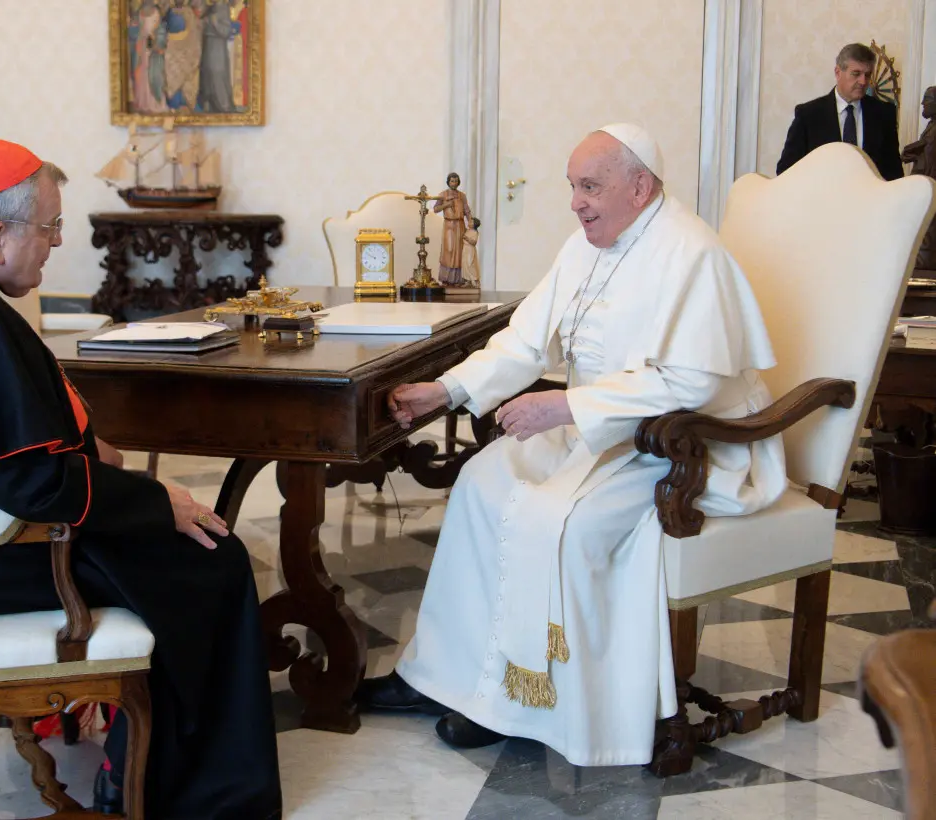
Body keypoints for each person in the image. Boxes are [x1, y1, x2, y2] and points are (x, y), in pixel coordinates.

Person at [0, 136, 282, 819]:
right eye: (49, 228)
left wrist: (81, 443)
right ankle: (186, 794)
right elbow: (35, 486)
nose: (57, 242)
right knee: (213, 559)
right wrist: (158, 501)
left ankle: (140, 753)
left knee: (187, 552)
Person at [356, 124, 787, 767]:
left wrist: (562, 406)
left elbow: (691, 380)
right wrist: (445, 391)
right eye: (573, 187)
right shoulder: (588, 243)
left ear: (639, 187)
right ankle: (441, 676)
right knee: (480, 484)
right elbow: (527, 340)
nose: (576, 202)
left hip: (684, 446)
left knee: (556, 518)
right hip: (605, 431)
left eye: (591, 186)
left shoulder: (691, 253)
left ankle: (522, 702)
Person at [777, 42, 903, 180]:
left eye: (867, 75)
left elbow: (894, 173)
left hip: (870, 200)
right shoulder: (809, 115)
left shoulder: (884, 114)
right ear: (838, 72)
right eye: (856, 74)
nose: (863, 81)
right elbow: (786, 170)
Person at [902, 85, 936, 269]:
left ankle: (924, 263)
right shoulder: (931, 126)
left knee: (927, 229)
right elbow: (924, 147)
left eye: (928, 100)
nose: (923, 103)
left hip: (929, 191)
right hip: (924, 189)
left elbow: (930, 158)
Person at [433, 172, 472, 285]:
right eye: (452, 181)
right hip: (449, 225)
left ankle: (458, 279)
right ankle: (447, 278)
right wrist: (446, 205)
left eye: (455, 181)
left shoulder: (462, 196)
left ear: (458, 182)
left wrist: (470, 221)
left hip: (460, 225)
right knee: (449, 250)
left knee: (459, 250)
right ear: (448, 182)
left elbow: (466, 210)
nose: (454, 183)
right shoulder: (443, 195)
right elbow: (436, 209)